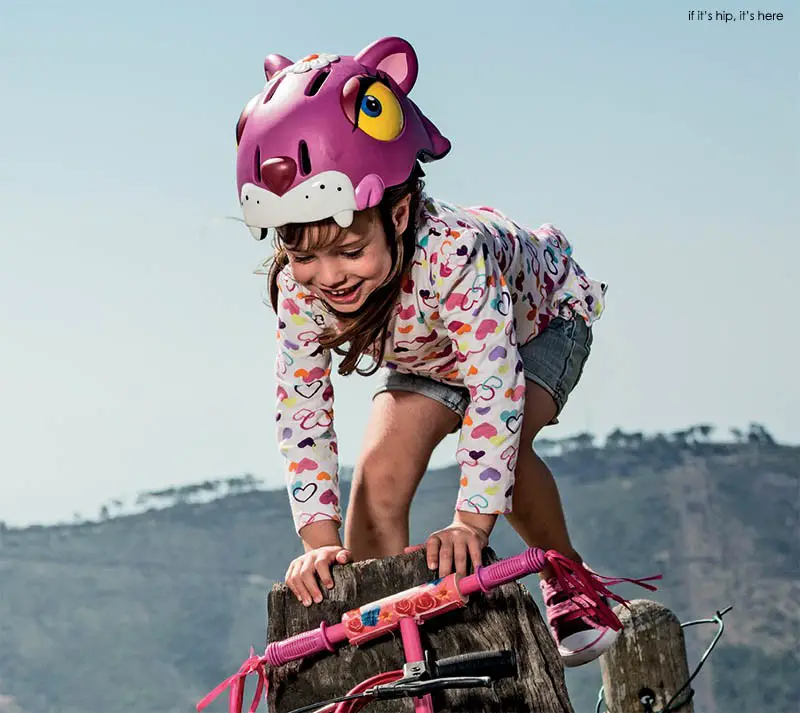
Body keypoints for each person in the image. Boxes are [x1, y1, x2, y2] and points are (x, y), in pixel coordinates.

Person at [235, 36, 651, 667]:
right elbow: (302, 412)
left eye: (349, 251)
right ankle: (381, 633)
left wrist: (469, 525)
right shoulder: (301, 290)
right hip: (428, 350)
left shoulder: (451, 254)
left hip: (533, 326)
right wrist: (319, 543)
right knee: (378, 481)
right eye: (304, 254)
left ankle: (568, 575)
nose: (330, 275)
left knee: (497, 460)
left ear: (399, 214)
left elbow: (495, 389)